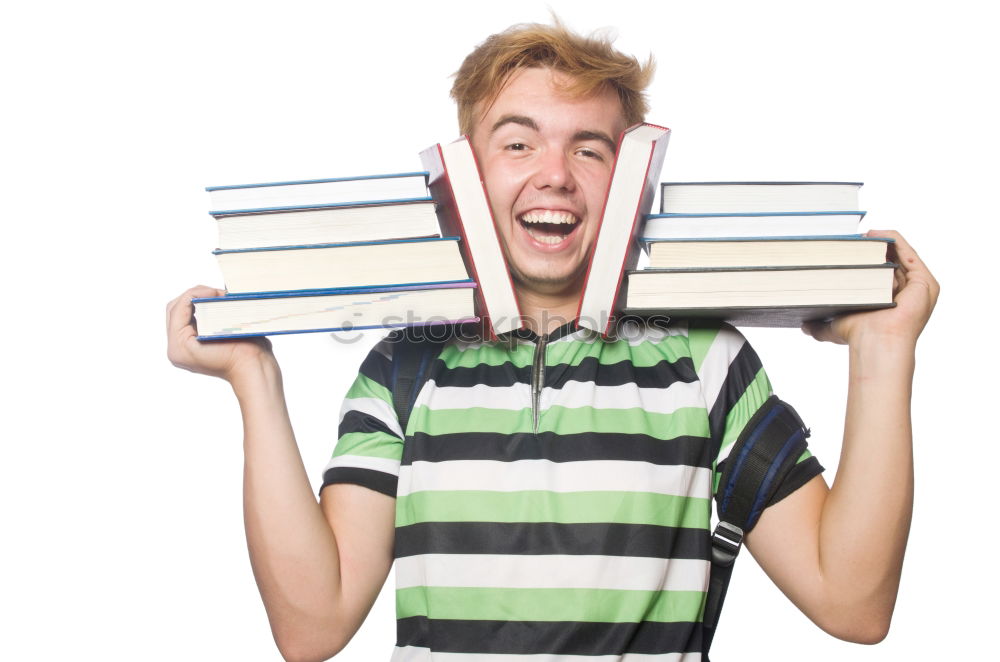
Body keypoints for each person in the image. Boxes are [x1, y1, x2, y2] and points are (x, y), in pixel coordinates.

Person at [166, 20, 939, 662]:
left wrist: (885, 351)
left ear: (630, 179)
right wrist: (253, 381)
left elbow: (854, 601)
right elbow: (313, 625)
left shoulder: (708, 365)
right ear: (464, 175)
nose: (556, 175)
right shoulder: (402, 369)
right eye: (518, 143)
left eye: (590, 149)